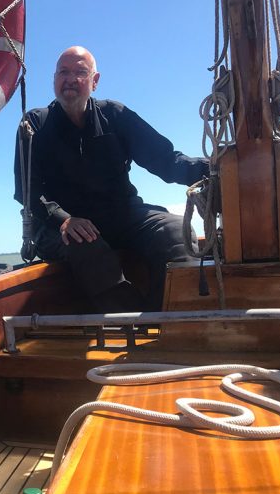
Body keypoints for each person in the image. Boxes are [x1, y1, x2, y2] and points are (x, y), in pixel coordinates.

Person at [14, 46, 209, 312]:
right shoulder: (35, 124)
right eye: (63, 72)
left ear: (95, 82)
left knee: (175, 230)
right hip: (62, 225)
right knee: (85, 242)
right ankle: (133, 324)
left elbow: (165, 160)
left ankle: (170, 319)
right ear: (54, 80)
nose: (70, 79)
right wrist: (64, 219)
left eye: (81, 72)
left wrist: (214, 168)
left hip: (123, 214)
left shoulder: (115, 115)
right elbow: (27, 191)